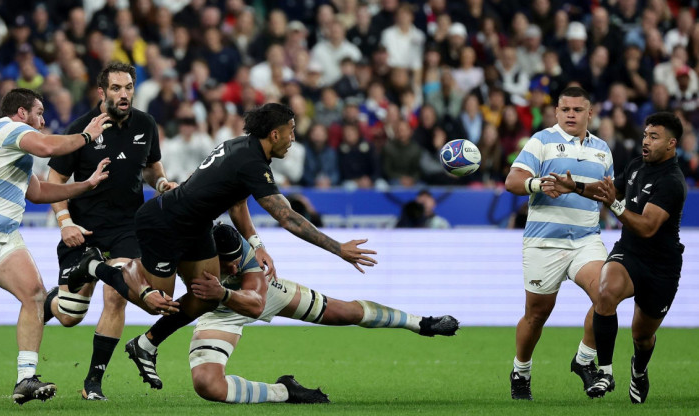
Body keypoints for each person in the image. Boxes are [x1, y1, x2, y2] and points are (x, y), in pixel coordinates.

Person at [63, 103, 377, 384]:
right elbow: (289, 218)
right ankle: (94, 265)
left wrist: (255, 243)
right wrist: (339, 249)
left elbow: (237, 204)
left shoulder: (244, 148)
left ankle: (145, 344)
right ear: (274, 134)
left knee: (207, 296)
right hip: (163, 223)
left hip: (197, 227)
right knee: (156, 301)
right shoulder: (251, 161)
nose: (294, 138)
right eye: (291, 131)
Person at [125, 223, 458, 403]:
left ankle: (420, 322)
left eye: (233, 262)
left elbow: (254, 303)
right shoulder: (191, 243)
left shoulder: (249, 266)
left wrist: (224, 289)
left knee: (343, 312)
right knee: (207, 386)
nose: (229, 266)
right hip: (219, 311)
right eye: (224, 263)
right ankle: (285, 391)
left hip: (261, 294)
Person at [0, 88, 111, 408]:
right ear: (22, 113)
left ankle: (26, 379)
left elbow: (38, 193)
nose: (42, 120)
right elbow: (44, 146)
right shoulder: (9, 129)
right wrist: (86, 135)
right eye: (39, 113)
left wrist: (86, 184)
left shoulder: (16, 152)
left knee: (35, 294)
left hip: (2, 236)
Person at [42, 62, 179, 401]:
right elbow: (54, 181)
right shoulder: (81, 129)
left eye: (129, 87)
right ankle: (49, 303)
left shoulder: (146, 124)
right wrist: (65, 222)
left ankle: (93, 383)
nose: (124, 94)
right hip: (84, 230)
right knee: (71, 316)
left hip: (127, 228)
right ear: (102, 92)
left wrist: (161, 183)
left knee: (116, 296)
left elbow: (151, 166)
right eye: (116, 88)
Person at [551, 112, 686, 403]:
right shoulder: (637, 165)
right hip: (630, 252)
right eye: (645, 135)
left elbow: (648, 227)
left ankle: (639, 369)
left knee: (642, 335)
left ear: (671, 144)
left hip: (661, 266)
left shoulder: (673, 182)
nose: (645, 141)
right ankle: (605, 371)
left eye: (654, 137)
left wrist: (615, 204)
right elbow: (607, 190)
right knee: (605, 291)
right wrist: (573, 187)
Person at [504, 86, 614, 400]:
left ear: (590, 113)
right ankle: (521, 370)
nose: (570, 114)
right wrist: (539, 183)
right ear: (556, 112)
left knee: (606, 295)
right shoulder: (541, 140)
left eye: (578, 110)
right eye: (565, 109)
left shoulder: (603, 150)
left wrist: (577, 188)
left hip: (585, 241)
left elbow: (609, 194)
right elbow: (512, 181)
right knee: (537, 314)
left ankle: (583, 359)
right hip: (544, 243)